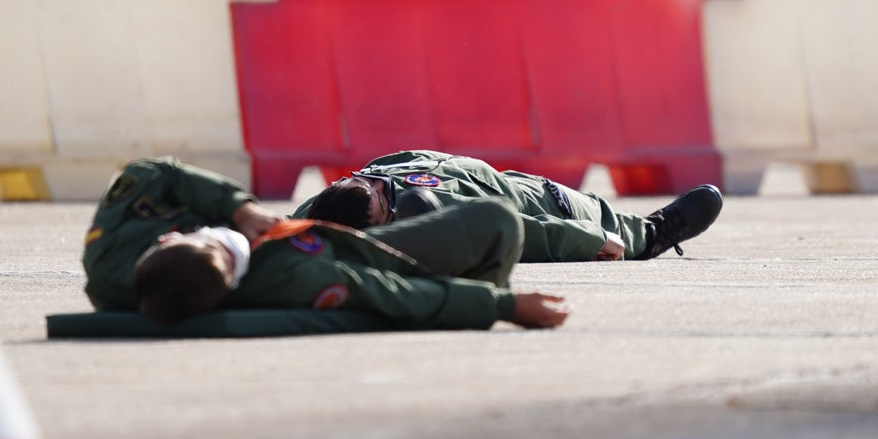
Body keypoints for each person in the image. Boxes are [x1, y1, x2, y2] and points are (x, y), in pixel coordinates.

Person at [82, 157, 570, 330]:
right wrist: (502, 306)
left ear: (167, 238)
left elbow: (154, 172)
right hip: (353, 254)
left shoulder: (112, 255)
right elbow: (392, 292)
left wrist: (240, 209)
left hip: (317, 239)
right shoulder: (290, 275)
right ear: (237, 277)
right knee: (496, 220)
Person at [293, 149, 723, 262]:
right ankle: (650, 235)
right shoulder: (420, 212)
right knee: (611, 228)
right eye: (386, 211)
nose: (387, 191)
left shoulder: (349, 190)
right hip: (547, 209)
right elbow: (522, 231)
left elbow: (287, 227)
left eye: (373, 188)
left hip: (512, 180)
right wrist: (591, 238)